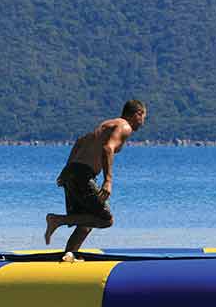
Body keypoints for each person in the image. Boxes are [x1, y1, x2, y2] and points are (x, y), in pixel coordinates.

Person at [44, 100, 146, 257]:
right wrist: (108, 181)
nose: (143, 122)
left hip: (73, 171)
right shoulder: (124, 126)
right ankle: (57, 220)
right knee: (105, 220)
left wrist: (66, 169)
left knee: (87, 222)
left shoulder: (108, 124)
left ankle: (69, 255)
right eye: (144, 117)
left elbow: (80, 141)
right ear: (137, 114)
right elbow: (108, 148)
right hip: (82, 174)